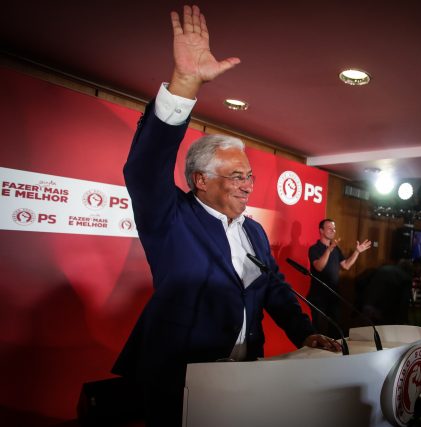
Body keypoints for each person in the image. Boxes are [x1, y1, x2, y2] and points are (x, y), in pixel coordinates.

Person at [111, 6, 340, 426]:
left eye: (249, 176)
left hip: (244, 378)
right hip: (179, 381)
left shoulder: (253, 231)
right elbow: (143, 169)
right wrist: (184, 85)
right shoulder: (170, 217)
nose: (248, 185)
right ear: (200, 180)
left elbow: (274, 289)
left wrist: (303, 331)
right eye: (236, 176)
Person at [307, 218, 371, 337]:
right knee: (319, 330)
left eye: (334, 228)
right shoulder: (314, 249)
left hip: (334, 295)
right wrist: (328, 250)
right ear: (321, 230)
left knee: (335, 331)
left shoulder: (336, 249)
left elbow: (346, 265)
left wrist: (357, 252)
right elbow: (319, 267)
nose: (333, 230)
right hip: (318, 297)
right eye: (329, 228)